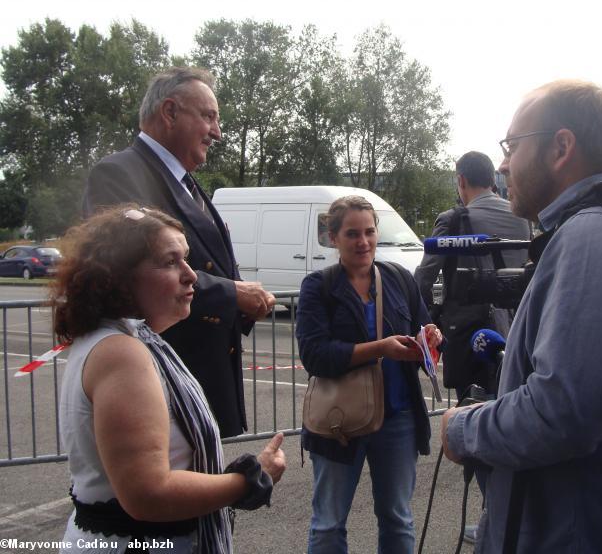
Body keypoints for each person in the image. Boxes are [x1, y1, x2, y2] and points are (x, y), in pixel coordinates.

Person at [440, 79, 602, 552]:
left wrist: (464, 428)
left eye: (513, 145)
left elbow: (564, 413)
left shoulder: (593, 238)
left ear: (561, 147)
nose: (502, 164)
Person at [55, 205, 286, 553]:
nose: (190, 274)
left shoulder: (126, 339)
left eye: (186, 259)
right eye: (169, 261)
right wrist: (252, 479)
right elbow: (149, 494)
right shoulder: (122, 352)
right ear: (119, 277)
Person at [82, 67, 274, 438]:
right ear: (169, 112)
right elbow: (130, 271)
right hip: (158, 379)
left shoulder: (185, 182)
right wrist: (232, 294)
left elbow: (208, 262)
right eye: (209, 116)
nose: (217, 132)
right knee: (173, 490)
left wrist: (243, 302)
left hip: (197, 376)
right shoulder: (118, 174)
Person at [296, 195, 442, 554]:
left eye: (369, 232)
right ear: (333, 238)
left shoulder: (399, 279)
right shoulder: (319, 286)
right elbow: (315, 356)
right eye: (352, 234)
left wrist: (433, 338)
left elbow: (424, 329)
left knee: (398, 519)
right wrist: (379, 349)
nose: (363, 242)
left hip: (398, 418)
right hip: (339, 422)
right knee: (329, 524)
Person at [414, 151, 531, 399]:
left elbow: (424, 278)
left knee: (470, 409)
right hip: (514, 329)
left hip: (468, 336)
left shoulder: (452, 220)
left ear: (461, 181)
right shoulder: (522, 219)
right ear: (492, 179)